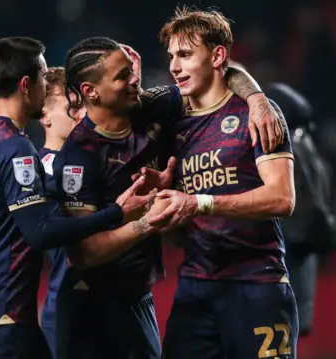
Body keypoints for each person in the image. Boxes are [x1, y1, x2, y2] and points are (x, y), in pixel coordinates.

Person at [0, 37, 155, 359]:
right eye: (44, 77)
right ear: (27, 84)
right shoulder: (16, 151)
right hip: (5, 314)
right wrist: (117, 213)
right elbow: (40, 231)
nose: (48, 83)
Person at [51, 36, 284, 359]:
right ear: (91, 91)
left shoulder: (151, 108)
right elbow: (85, 254)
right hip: (91, 309)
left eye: (131, 70)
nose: (135, 79)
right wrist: (146, 221)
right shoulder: (78, 157)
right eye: (122, 76)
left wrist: (257, 101)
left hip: (139, 298)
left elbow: (223, 72)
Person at [148, 8, 299, 359]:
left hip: (256, 286)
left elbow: (282, 197)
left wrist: (201, 202)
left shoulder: (257, 114)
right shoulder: (171, 124)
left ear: (217, 56)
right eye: (171, 56)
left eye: (185, 55)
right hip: (195, 288)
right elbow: (178, 228)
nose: (174, 67)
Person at [264, 82, 336, 337]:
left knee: (272, 336)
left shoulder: (287, 150)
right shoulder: (312, 150)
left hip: (283, 256)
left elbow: (295, 209)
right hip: (303, 256)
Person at [37, 66, 87, 354]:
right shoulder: (38, 172)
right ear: (45, 117)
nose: (80, 114)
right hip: (67, 305)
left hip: (114, 305)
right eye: (71, 107)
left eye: (83, 105)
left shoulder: (93, 160)